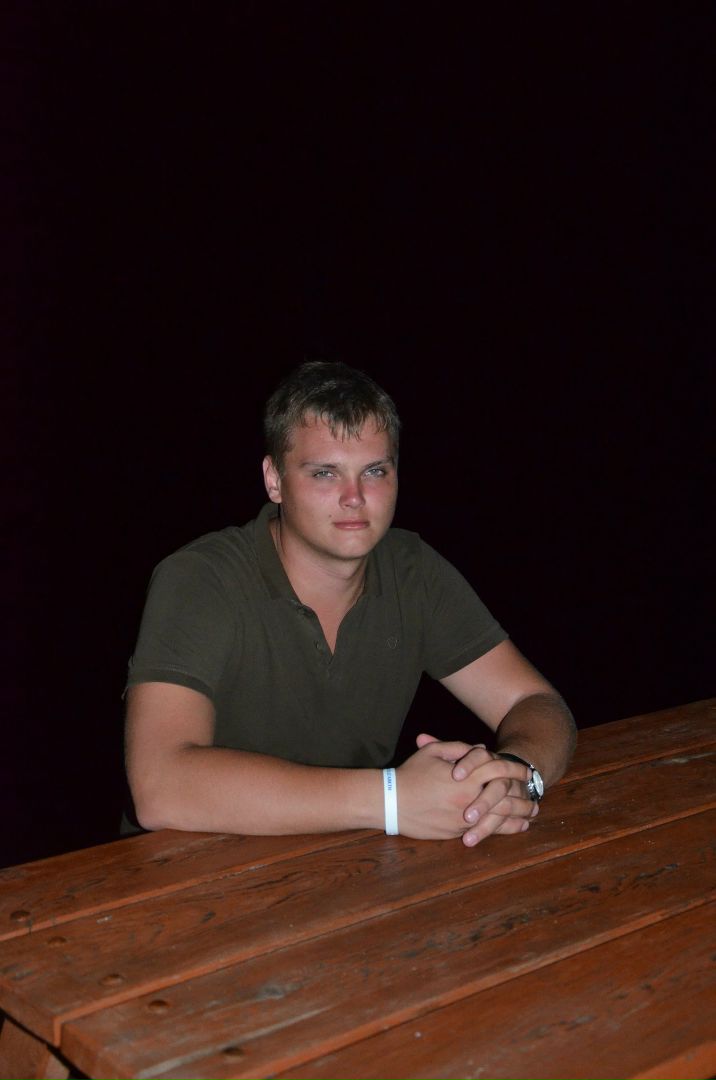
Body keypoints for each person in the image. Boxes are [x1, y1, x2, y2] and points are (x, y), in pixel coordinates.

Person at [124, 360, 576, 847]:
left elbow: (535, 703)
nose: (355, 497)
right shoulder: (201, 578)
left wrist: (514, 777)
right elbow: (159, 786)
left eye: (374, 471)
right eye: (325, 473)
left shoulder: (412, 570)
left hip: (352, 860)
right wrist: (391, 799)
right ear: (274, 479)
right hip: (189, 871)